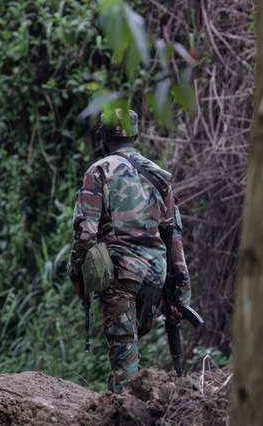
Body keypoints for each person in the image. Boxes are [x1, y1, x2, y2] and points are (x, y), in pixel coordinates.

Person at [67, 108, 191, 393]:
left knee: (124, 359)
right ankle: (130, 398)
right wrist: (182, 292)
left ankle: (127, 406)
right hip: (155, 276)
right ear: (135, 135)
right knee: (130, 347)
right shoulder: (160, 176)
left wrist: (77, 274)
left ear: (104, 137)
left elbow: (85, 234)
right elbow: (173, 237)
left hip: (122, 276)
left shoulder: (99, 171)